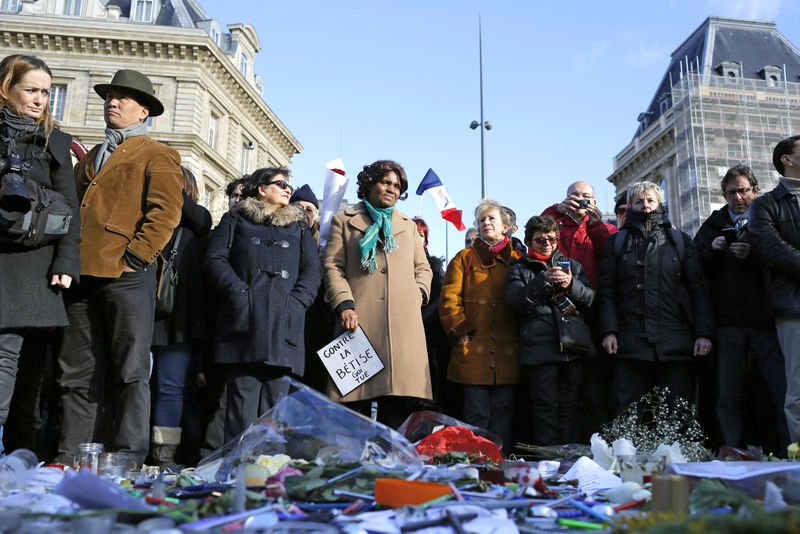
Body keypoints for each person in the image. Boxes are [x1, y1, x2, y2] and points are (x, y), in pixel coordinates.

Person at [56, 69, 183, 466]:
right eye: (110, 96)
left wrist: (136, 257)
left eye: (123, 98)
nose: (113, 102)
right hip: (82, 274)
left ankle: (128, 454)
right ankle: (73, 453)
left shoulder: (157, 153)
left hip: (127, 276)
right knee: (76, 372)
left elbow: (165, 213)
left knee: (130, 370)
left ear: (143, 110)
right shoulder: (92, 155)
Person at [205, 168, 321, 442]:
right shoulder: (236, 219)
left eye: (288, 185)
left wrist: (297, 303)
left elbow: (312, 271)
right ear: (261, 188)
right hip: (244, 324)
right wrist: (239, 294)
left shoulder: (299, 227)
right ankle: (237, 476)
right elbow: (215, 260)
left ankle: (269, 479)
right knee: (240, 417)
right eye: (281, 184)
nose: (287, 189)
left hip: (284, 327)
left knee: (274, 420)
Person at [0, 54, 79, 453]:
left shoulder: (55, 141)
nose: (40, 100)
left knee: (22, 365)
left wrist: (66, 262)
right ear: (6, 88)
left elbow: (71, 207)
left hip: (34, 267)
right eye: (31, 90)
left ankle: (16, 455)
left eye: (46, 92)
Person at [323, 159, 432, 427]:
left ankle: (393, 468)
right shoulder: (344, 221)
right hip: (357, 323)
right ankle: (354, 466)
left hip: (402, 328)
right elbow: (332, 267)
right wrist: (344, 304)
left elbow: (423, 268)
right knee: (352, 409)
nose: (392, 189)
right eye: (385, 182)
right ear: (370, 183)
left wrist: (417, 294)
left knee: (397, 410)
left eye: (396, 185)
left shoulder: (409, 226)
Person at [694, 165, 788, 451]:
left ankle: (786, 449)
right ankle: (731, 450)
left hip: (767, 319)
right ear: (723, 194)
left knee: (780, 390)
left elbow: (784, 257)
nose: (738, 197)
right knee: (727, 393)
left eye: (744, 190)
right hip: (728, 322)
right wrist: (714, 249)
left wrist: (754, 252)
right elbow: (693, 268)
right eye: (732, 192)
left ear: (755, 191)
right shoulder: (712, 224)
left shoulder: (769, 219)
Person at [598, 181, 713, 414]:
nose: (646, 205)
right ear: (629, 206)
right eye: (639, 201)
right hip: (630, 342)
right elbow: (607, 291)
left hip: (675, 342)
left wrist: (703, 334)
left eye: (651, 200)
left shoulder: (679, 241)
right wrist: (609, 331)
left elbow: (697, 290)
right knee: (627, 415)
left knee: (676, 415)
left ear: (660, 203)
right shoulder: (617, 243)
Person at [440, 199, 522, 453]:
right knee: (476, 413)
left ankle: (500, 466)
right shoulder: (463, 258)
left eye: (491, 219)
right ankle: (476, 467)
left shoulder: (519, 259)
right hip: (472, 352)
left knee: (504, 414)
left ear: (506, 226)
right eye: (481, 220)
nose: (486, 223)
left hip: (509, 353)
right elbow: (449, 300)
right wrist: (460, 330)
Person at [506, 215, 594, 445]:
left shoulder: (572, 266)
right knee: (545, 410)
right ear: (528, 242)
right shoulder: (519, 268)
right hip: (540, 353)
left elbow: (592, 300)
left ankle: (568, 462)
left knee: (570, 408)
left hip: (572, 348)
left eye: (552, 239)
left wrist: (571, 284)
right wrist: (541, 281)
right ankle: (549, 463)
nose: (547, 244)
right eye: (540, 240)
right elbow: (514, 302)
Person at [542, 181, 618, 439]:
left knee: (594, 385)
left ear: (595, 202)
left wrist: (595, 225)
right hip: (559, 309)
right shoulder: (556, 222)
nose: (580, 200)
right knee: (566, 385)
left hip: (592, 307)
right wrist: (557, 211)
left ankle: (597, 440)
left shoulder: (602, 227)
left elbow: (609, 253)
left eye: (586, 196)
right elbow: (539, 235)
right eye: (575, 195)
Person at [149, 167, 212, 466]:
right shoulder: (152, 218)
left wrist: (170, 186)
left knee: (171, 387)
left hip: (176, 318)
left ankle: (165, 455)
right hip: (156, 313)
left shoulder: (197, 223)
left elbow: (201, 219)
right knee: (155, 386)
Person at [748, 135, 800, 446]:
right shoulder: (765, 205)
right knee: (798, 389)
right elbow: (770, 249)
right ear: (787, 159)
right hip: (794, 307)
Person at [413, 216, 454, 414]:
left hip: (430, 335)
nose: (416, 239)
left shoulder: (434, 266)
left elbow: (440, 299)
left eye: (420, 235)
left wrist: (416, 320)